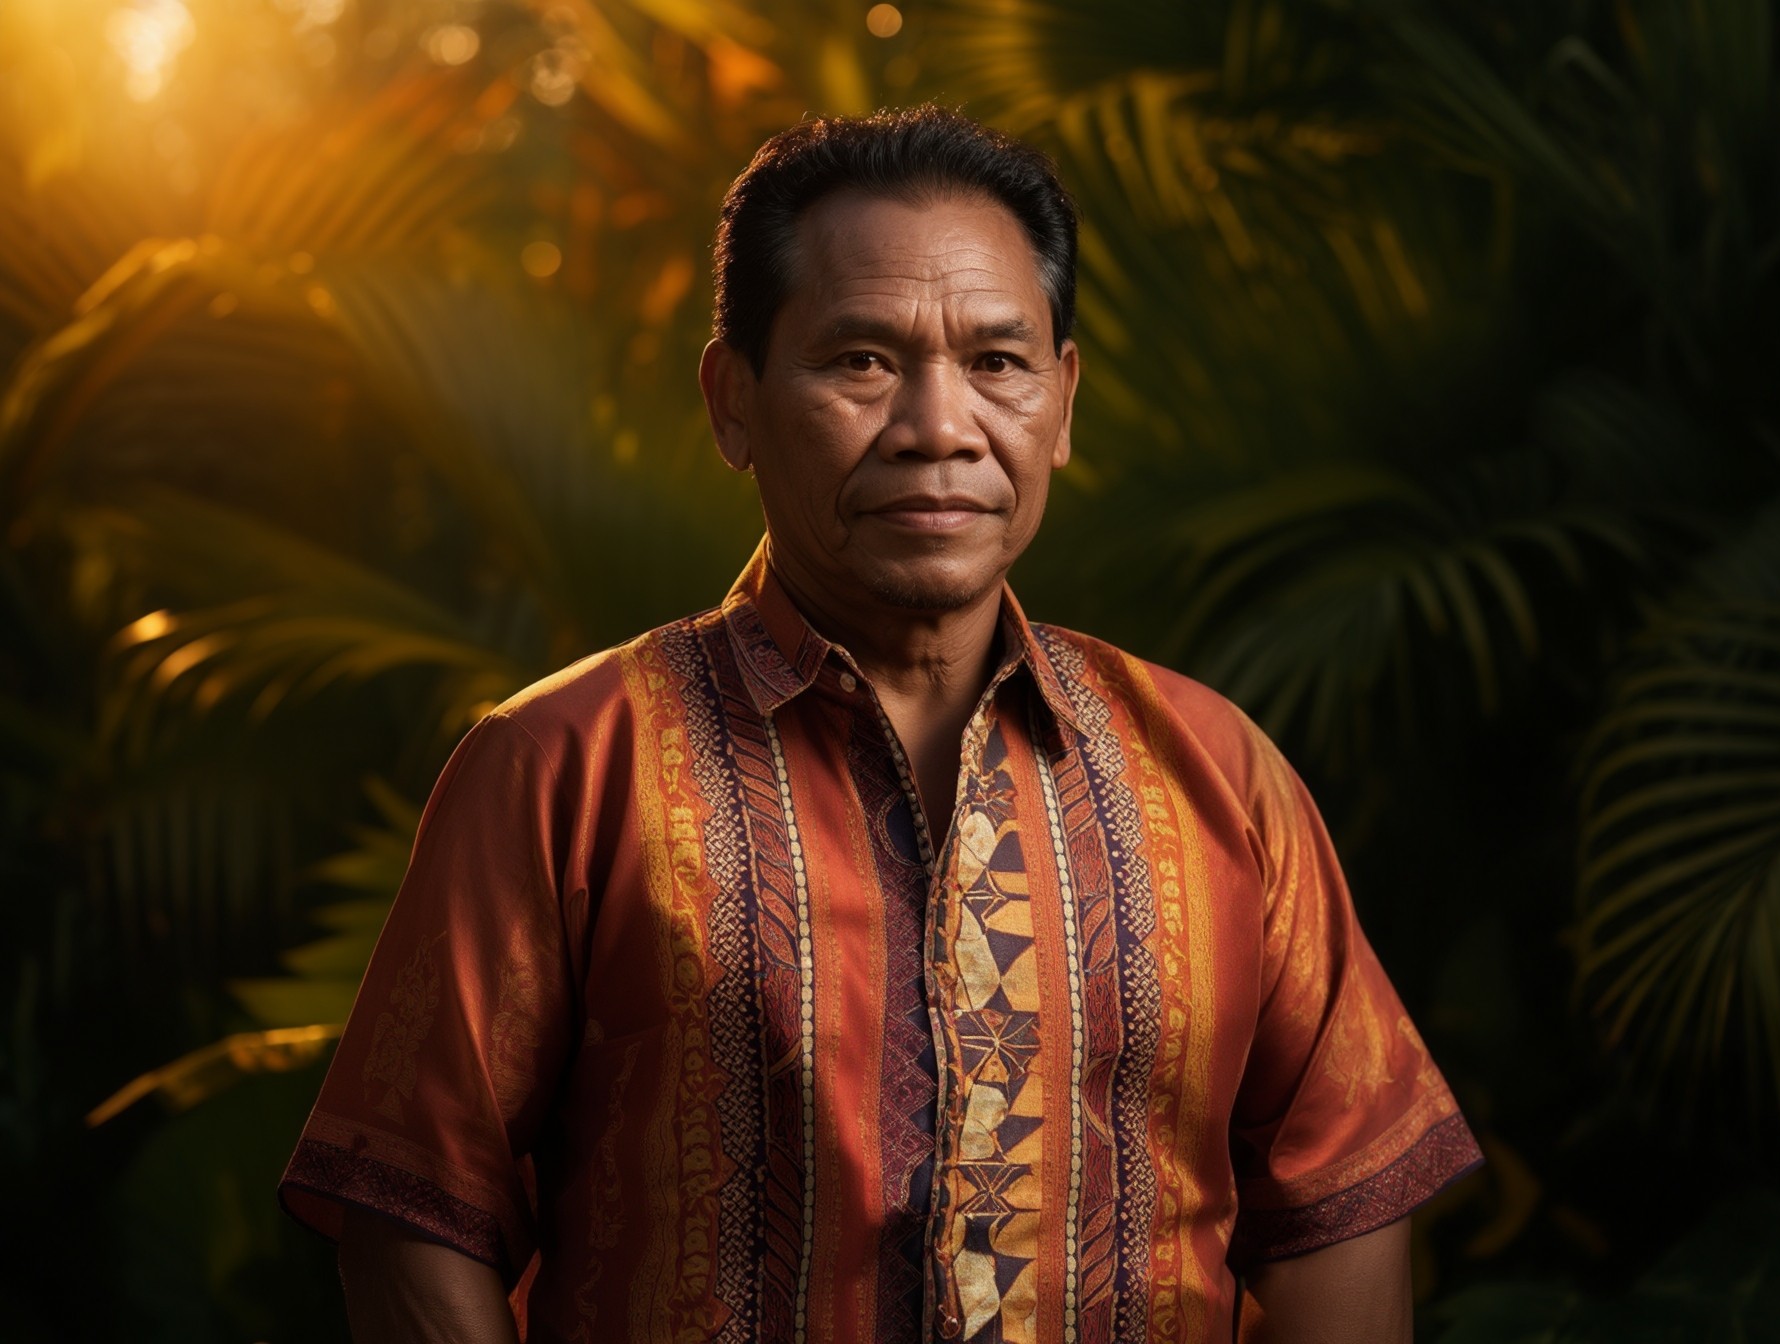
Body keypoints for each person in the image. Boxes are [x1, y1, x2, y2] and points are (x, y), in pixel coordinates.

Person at [279, 105, 1483, 1344]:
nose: (940, 427)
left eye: (998, 362)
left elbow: (1340, 1206)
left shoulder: (1220, 777)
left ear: (1062, 404)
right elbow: (416, 1221)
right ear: (730, 399)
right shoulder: (559, 771)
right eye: (862, 361)